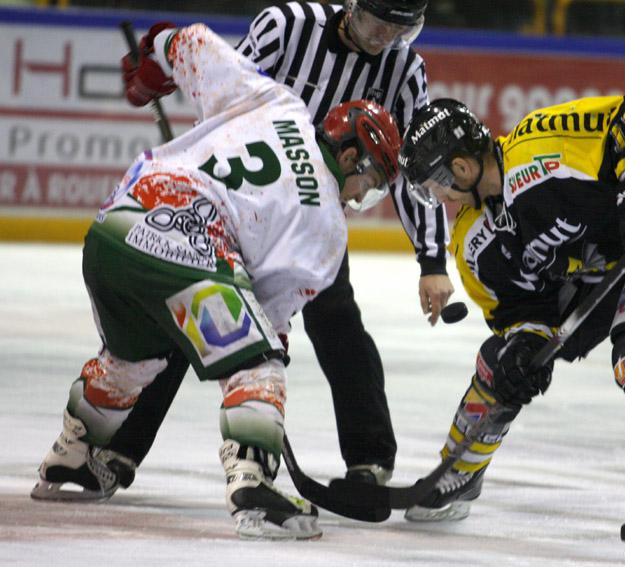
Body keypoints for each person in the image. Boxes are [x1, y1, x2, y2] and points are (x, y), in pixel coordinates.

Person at [31, 22, 403, 541]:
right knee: (259, 364)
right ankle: (252, 485)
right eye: (370, 182)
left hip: (113, 233)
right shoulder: (327, 229)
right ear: (347, 156)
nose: (362, 196)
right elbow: (266, 317)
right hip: (187, 250)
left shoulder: (279, 103)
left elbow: (191, 42)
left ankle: (70, 456)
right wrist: (262, 359)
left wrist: (153, 62)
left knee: (131, 364)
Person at [90, 0, 452, 497]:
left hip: (308, 224)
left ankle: (369, 459)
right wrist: (166, 71)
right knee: (183, 313)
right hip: (232, 209)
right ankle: (118, 449)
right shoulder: (287, 26)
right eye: (376, 23)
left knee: (337, 323)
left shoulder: (404, 70)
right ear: (352, 6)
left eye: (398, 30)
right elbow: (229, 90)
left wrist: (432, 259)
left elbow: (409, 169)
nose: (383, 38)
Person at [396, 97, 625, 563]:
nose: (440, 199)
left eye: (436, 185)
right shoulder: (472, 241)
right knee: (501, 362)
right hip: (604, 271)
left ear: (462, 168)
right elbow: (523, 310)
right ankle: (459, 472)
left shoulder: (540, 144)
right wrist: (525, 346)